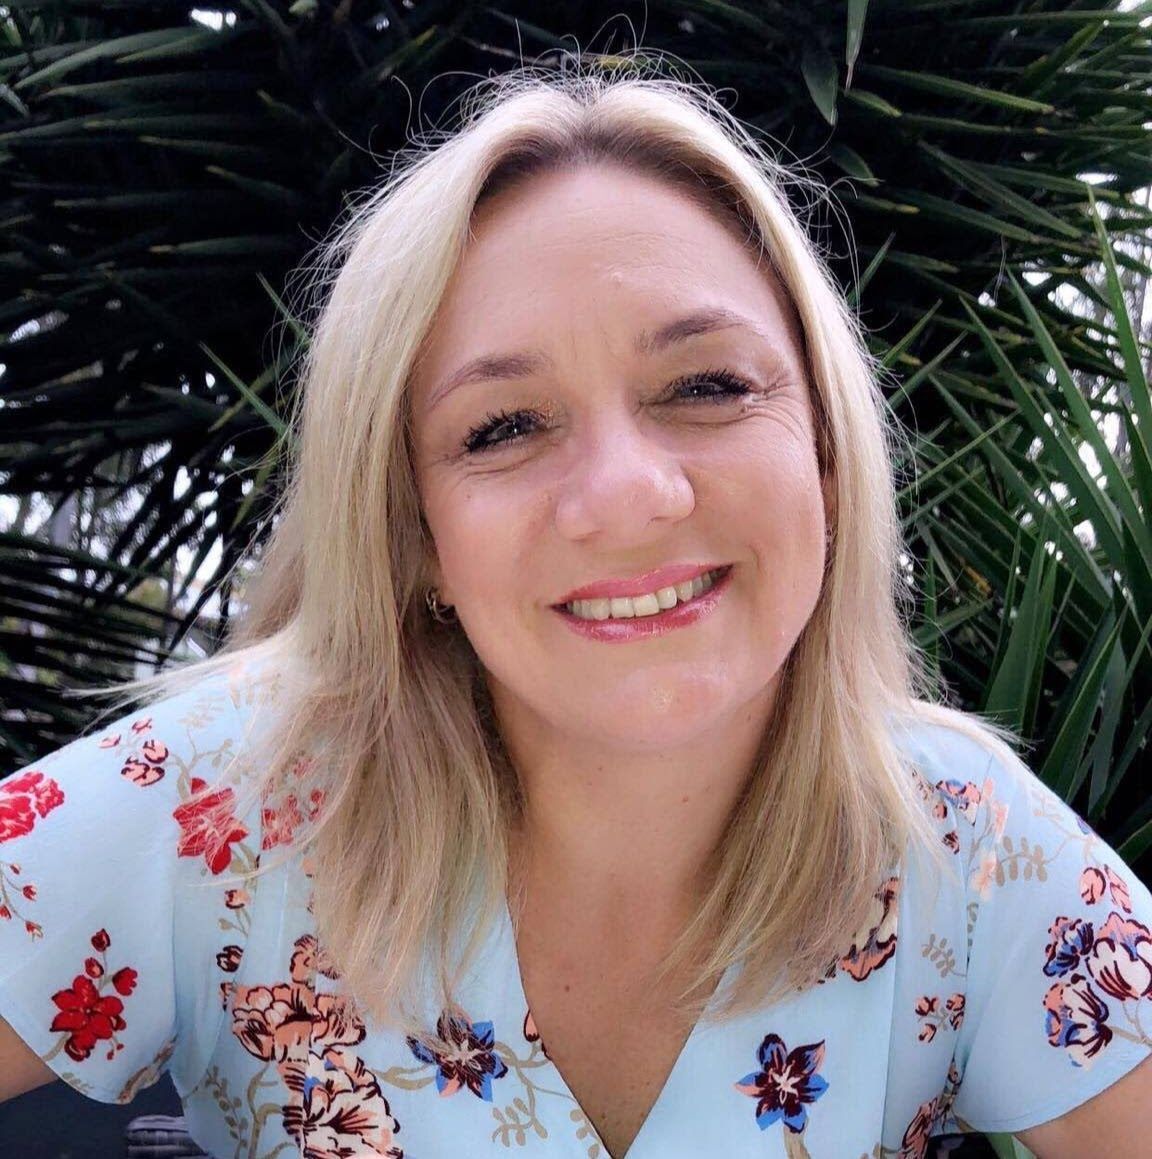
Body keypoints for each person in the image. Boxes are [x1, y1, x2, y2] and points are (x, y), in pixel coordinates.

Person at [1, 59, 1150, 1159]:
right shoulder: (218, 800)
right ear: (416, 536)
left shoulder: (961, 841)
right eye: (503, 428)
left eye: (707, 386)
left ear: (829, 459)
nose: (629, 495)